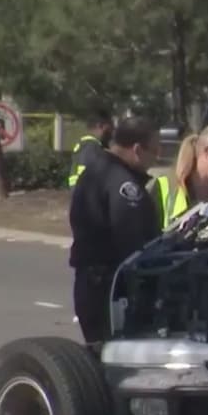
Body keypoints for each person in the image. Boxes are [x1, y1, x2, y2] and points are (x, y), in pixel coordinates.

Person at [68, 115, 162, 345]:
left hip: (91, 283)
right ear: (138, 149)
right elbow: (133, 240)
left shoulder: (95, 170)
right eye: (155, 151)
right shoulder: (122, 183)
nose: (157, 158)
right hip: (109, 289)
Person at [68, 109, 115, 189]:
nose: (112, 131)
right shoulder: (91, 147)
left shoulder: (87, 144)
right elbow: (90, 177)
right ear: (100, 126)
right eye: (111, 127)